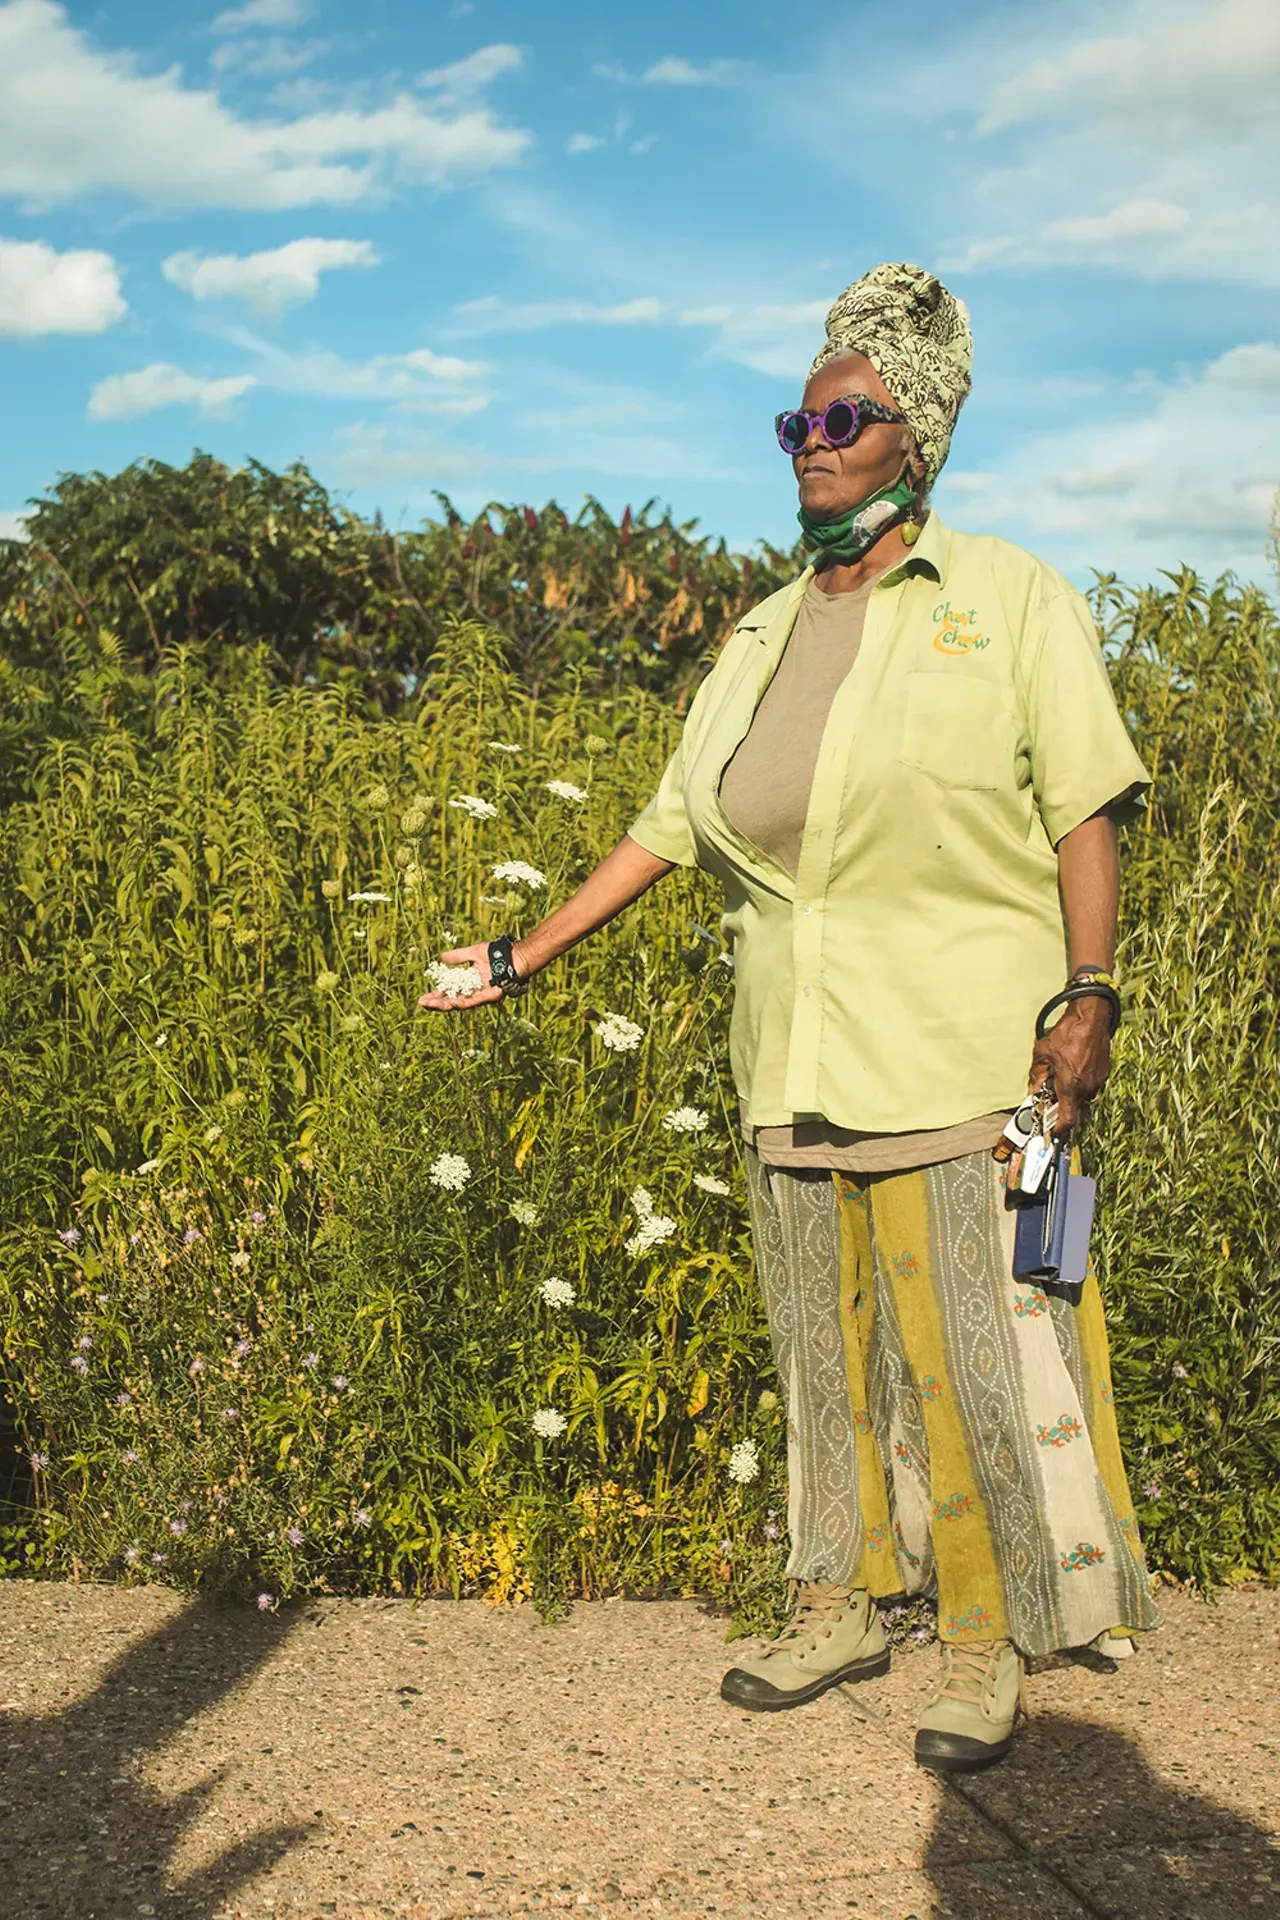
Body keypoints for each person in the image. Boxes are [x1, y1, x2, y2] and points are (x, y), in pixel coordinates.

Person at [419, 261, 1160, 1773]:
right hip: (796, 1061)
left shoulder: (1006, 597)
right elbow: (669, 823)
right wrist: (521, 952)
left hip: (962, 1056)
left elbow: (1086, 808)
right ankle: (834, 1602)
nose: (814, 437)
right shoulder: (758, 635)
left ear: (917, 436)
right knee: (818, 1361)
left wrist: (1089, 995)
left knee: (963, 1360)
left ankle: (979, 1639)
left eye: (846, 412)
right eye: (796, 417)